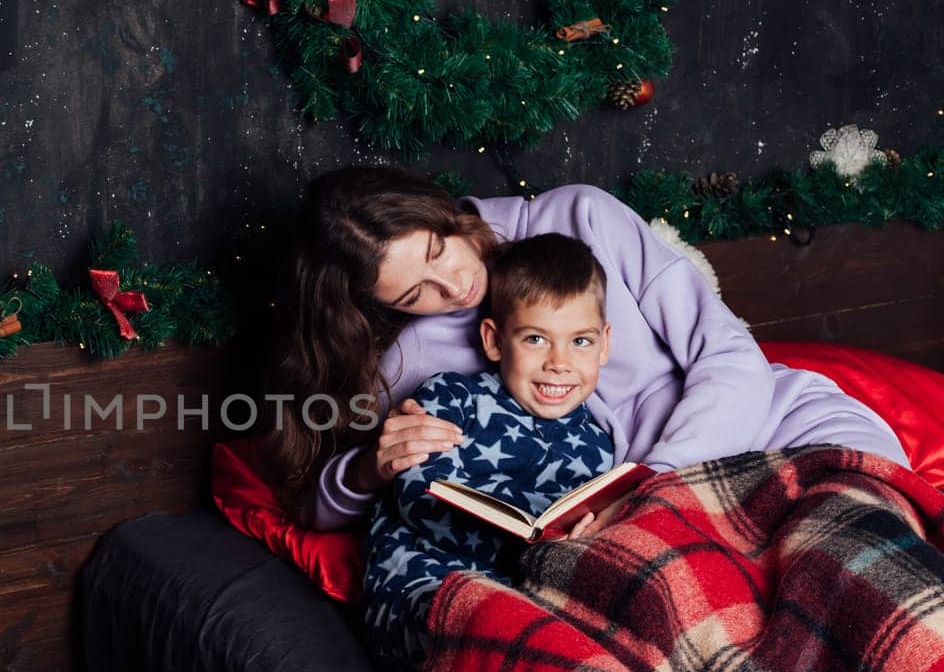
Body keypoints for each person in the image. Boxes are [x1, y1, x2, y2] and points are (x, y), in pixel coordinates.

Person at [263, 167, 908, 529]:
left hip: (781, 427)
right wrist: (369, 468)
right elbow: (317, 504)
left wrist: (652, 488)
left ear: (441, 214)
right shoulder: (412, 358)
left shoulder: (582, 217)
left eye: (438, 251)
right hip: (666, 520)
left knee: (861, 554)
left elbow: (731, 357)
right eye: (414, 295)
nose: (453, 285)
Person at [363, 234, 617, 672]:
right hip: (426, 583)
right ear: (495, 341)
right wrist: (525, 550)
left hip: (529, 596)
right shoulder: (453, 396)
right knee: (491, 632)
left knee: (593, 637)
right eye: (536, 339)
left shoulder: (600, 447)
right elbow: (418, 496)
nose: (559, 362)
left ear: (604, 345)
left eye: (580, 341)